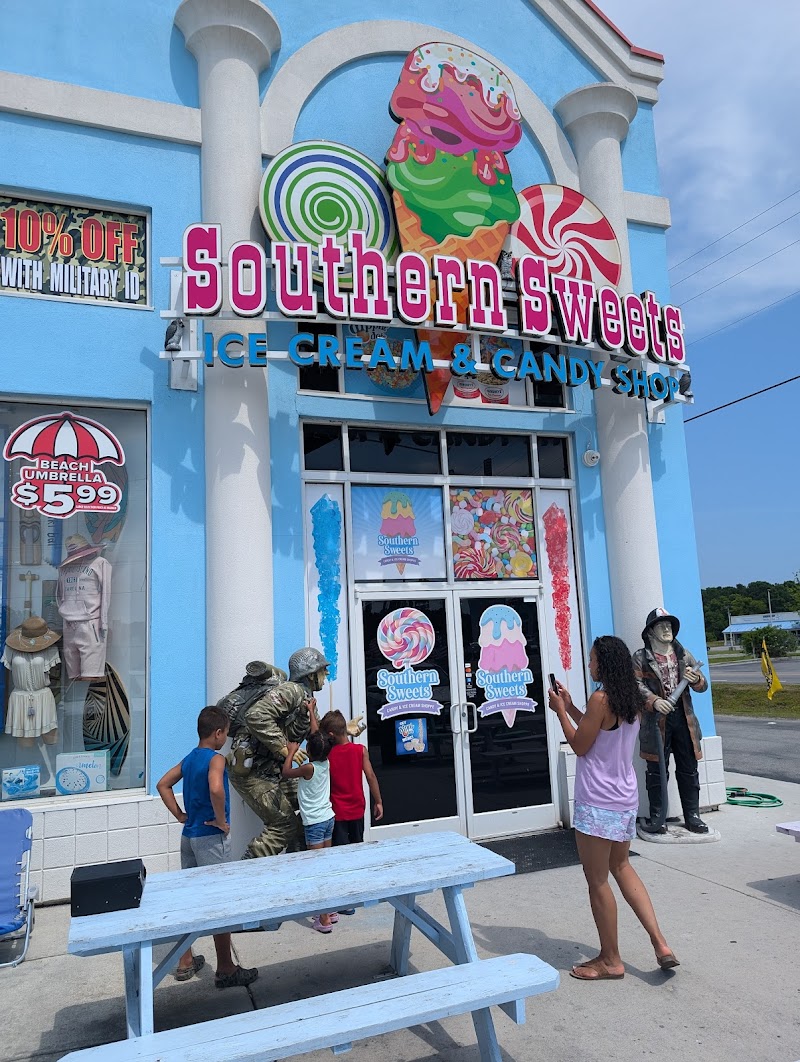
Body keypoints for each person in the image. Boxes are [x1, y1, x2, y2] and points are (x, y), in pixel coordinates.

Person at [548, 636, 679, 981]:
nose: (589, 665)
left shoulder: (601, 698)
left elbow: (580, 745)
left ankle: (610, 959)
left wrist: (560, 712)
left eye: (592, 660)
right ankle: (660, 943)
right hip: (623, 799)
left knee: (597, 881)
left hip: (597, 802)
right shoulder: (630, 700)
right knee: (622, 867)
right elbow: (599, 730)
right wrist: (573, 706)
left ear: (604, 665)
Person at [156, 705, 259, 988]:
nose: (225, 739)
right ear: (217, 733)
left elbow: (163, 784)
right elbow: (216, 788)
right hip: (210, 839)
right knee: (219, 901)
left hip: (189, 837)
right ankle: (226, 968)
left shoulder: (189, 759)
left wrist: (179, 815)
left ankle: (185, 959)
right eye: (225, 734)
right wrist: (221, 820)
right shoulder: (217, 759)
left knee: (189, 900)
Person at [226, 647, 330, 859]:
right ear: (311, 674)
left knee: (310, 805)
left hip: (274, 770)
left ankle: (299, 861)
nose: (326, 674)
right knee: (283, 825)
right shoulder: (291, 691)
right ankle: (247, 870)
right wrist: (283, 747)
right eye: (322, 670)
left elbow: (315, 731)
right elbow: (256, 716)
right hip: (254, 772)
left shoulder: (306, 698)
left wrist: (344, 730)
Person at [633, 608, 709, 834]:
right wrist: (654, 701)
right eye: (661, 626)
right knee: (657, 769)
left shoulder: (684, 654)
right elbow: (635, 685)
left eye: (669, 626)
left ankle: (693, 815)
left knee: (688, 767)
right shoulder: (640, 657)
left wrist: (696, 679)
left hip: (683, 718)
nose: (667, 630)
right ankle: (658, 816)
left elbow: (703, 686)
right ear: (650, 632)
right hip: (656, 721)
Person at [282, 706, 336, 933]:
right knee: (326, 865)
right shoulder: (326, 762)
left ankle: (323, 920)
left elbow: (286, 772)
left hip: (314, 822)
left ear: (309, 751)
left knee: (317, 870)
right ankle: (331, 911)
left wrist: (291, 752)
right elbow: (317, 736)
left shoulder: (308, 768)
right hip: (328, 819)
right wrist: (312, 711)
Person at [320, 709, 384, 847]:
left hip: (337, 811)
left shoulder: (327, 755)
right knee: (357, 847)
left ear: (330, 735)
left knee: (339, 850)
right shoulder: (360, 750)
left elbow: (316, 737)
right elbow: (370, 776)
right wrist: (378, 801)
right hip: (357, 808)